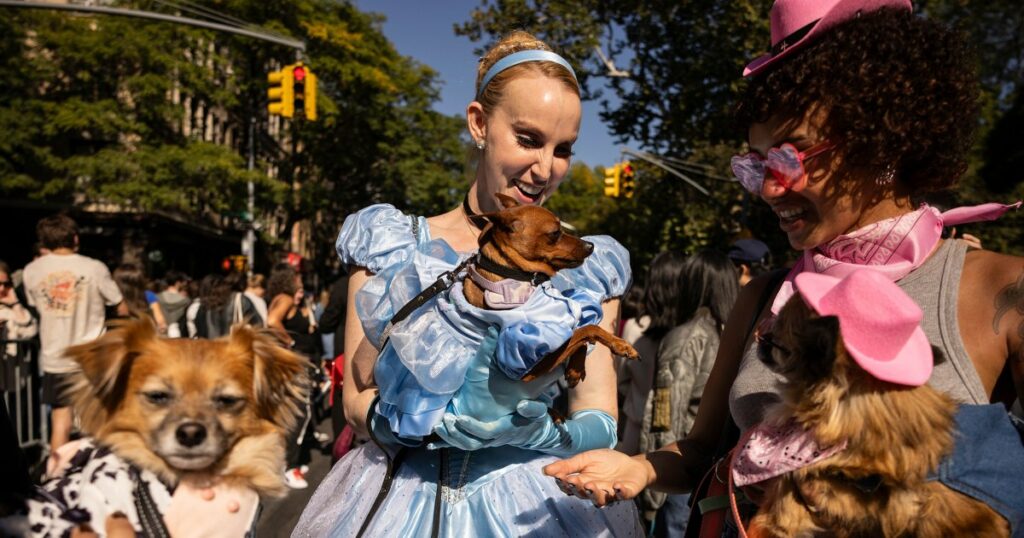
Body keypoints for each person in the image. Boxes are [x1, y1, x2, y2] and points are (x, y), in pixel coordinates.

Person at [544, 0, 1024, 533]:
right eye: (757, 163)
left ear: (883, 142)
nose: (770, 189)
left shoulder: (1001, 290)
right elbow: (703, 448)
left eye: (792, 157)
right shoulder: (764, 296)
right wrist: (637, 467)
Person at [294, 31, 640, 536]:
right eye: (528, 139)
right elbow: (356, 399)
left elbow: (600, 419)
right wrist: (425, 426)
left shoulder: (586, 265)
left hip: (531, 510)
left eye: (562, 149)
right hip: (395, 504)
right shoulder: (391, 243)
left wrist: (534, 431)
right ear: (479, 123)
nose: (545, 168)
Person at [636, 250, 738, 535]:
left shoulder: (685, 338)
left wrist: (653, 490)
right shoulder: (735, 335)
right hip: (719, 472)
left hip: (681, 474)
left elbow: (664, 416)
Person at [22, 215, 126, 465]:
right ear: (75, 238)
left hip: (54, 356)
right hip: (90, 357)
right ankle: (94, 474)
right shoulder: (94, 267)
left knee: (60, 423)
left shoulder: (31, 270)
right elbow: (120, 307)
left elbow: (35, 304)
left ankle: (56, 475)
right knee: (94, 421)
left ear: (44, 241)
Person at [617, 251, 687, 456]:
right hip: (679, 437)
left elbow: (621, 382)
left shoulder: (635, 327)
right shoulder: (694, 333)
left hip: (635, 431)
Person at [266, 263, 320, 489]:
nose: (300, 281)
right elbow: (271, 322)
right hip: (292, 365)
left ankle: (287, 463)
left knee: (290, 413)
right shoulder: (286, 299)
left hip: (285, 364)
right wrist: (290, 342)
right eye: (297, 278)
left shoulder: (280, 298)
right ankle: (290, 467)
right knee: (299, 413)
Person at [158, 270, 191, 337]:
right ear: (178, 283)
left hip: (160, 335)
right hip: (178, 336)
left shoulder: (156, 298)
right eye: (183, 282)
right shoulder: (186, 301)